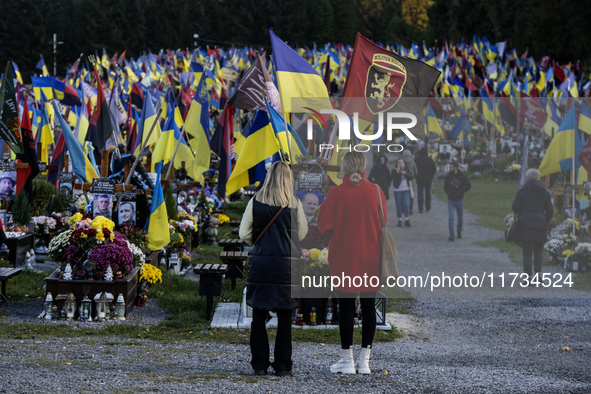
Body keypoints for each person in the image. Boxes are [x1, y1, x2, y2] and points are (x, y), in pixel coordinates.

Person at [317, 151, 386, 375]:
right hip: (372, 256)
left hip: (345, 256)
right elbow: (384, 219)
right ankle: (365, 360)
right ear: (363, 166)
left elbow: (323, 225)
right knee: (368, 308)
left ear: (344, 168)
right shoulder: (376, 191)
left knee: (345, 308)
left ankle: (346, 359)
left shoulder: (336, 193)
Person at [239, 162, 308, 377]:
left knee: (259, 314)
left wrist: (260, 244)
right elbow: (303, 233)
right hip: (287, 266)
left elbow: (243, 233)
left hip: (261, 265)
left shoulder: (255, 202)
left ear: (269, 177)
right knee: (285, 316)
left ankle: (259, 364)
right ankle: (283, 365)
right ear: (288, 179)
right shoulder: (295, 204)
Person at [511, 169, 553, 284]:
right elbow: (550, 210)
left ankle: (528, 277)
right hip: (540, 222)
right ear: (538, 178)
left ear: (528, 178)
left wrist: (522, 213)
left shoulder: (522, 191)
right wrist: (545, 220)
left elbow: (515, 207)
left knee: (527, 251)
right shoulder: (545, 192)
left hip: (525, 223)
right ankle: (538, 275)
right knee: (539, 250)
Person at [444, 163, 471, 241]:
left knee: (460, 218)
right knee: (451, 218)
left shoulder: (462, 176)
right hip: (451, 200)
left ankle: (459, 231)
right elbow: (445, 186)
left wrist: (461, 191)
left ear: (455, 168)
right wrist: (448, 192)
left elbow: (468, 185)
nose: (450, 169)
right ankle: (451, 234)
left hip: (459, 199)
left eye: (451, 167)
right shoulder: (448, 176)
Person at [391, 158, 413, 227]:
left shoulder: (406, 169)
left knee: (406, 204)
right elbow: (393, 178)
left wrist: (405, 174)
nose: (400, 164)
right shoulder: (394, 170)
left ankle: (407, 219)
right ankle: (399, 220)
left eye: (401, 162)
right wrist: (398, 173)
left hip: (406, 189)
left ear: (404, 163)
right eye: (399, 162)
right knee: (398, 205)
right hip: (398, 190)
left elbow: (411, 177)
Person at [415, 148, 437, 213]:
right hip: (428, 179)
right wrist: (431, 176)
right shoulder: (429, 159)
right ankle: (427, 207)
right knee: (428, 193)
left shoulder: (417, 160)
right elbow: (434, 169)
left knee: (420, 194)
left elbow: (415, 169)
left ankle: (420, 208)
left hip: (419, 179)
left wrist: (416, 176)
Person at [402, 150, 418, 214]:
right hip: (412, 180)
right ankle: (410, 209)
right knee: (411, 195)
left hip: (403, 180)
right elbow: (416, 172)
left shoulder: (401, 161)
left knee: (403, 194)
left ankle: (403, 208)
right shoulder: (412, 162)